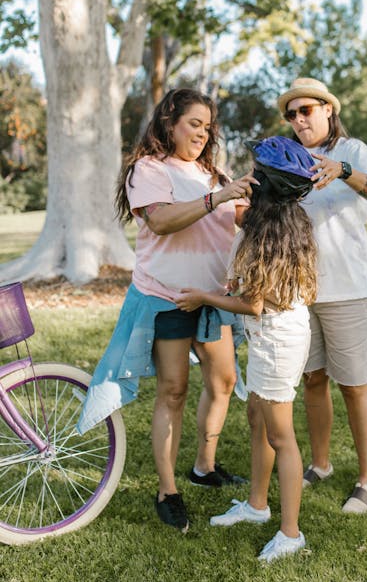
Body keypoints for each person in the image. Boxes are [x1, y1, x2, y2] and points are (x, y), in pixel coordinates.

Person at [77, 87, 257, 533]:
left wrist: (265, 200)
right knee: (173, 391)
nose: (202, 132)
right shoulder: (150, 169)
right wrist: (218, 197)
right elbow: (160, 220)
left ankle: (204, 466)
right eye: (194, 123)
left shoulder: (213, 172)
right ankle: (167, 490)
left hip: (213, 297)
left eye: (207, 126)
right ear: (169, 123)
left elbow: (239, 218)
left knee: (224, 381)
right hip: (168, 296)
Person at [175, 135, 317, 562]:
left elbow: (252, 303)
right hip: (269, 334)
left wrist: (203, 296)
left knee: (281, 436)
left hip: (276, 339)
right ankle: (257, 505)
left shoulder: (267, 233)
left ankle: (290, 534)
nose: (248, 176)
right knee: (258, 420)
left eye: (255, 172)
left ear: (266, 184)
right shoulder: (275, 222)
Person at [277, 77, 367, 514]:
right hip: (302, 290)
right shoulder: (289, 160)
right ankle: (320, 464)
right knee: (313, 379)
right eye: (292, 114)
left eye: (306, 110)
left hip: (349, 289)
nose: (299, 119)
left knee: (353, 385)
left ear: (327, 110)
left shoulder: (352, 150)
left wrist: (341, 170)